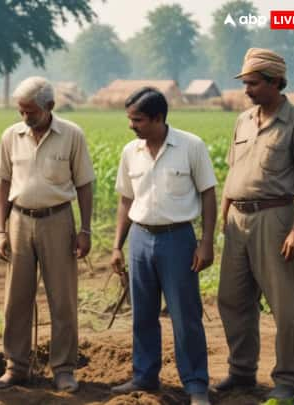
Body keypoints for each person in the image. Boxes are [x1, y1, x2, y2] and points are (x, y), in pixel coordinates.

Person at [214, 48, 294, 401]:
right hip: (237, 219)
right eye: (245, 83)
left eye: (253, 83)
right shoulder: (243, 121)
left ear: (275, 83)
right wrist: (224, 211)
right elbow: (234, 170)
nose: (247, 90)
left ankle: (288, 380)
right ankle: (241, 372)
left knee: (284, 303)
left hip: (275, 218)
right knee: (231, 299)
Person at [109, 88, 217, 405]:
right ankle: (144, 376)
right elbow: (126, 199)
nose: (131, 125)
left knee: (185, 315)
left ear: (158, 118)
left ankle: (196, 385)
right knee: (142, 313)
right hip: (140, 238)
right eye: (130, 119)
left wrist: (206, 242)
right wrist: (117, 245)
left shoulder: (190, 146)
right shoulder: (131, 151)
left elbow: (209, 194)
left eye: (137, 119)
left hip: (178, 239)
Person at [0, 76, 94, 393]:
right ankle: (15, 366)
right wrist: (1, 228)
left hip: (58, 220)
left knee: (62, 300)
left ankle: (63, 368)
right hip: (19, 220)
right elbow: (3, 183)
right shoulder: (11, 135)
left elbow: (85, 184)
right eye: (21, 111)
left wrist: (85, 229)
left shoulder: (71, 135)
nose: (25, 117)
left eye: (31, 111)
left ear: (49, 107)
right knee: (15, 299)